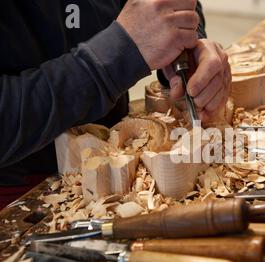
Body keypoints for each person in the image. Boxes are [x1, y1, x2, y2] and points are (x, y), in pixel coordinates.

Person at [0, 0, 231, 209]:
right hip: (24, 194)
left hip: (120, 163)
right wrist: (115, 56)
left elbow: (169, 4)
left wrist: (186, 40)